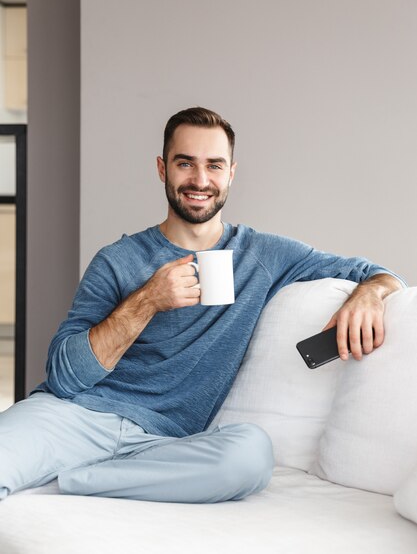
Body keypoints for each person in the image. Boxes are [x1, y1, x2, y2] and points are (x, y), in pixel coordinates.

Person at [0, 107, 405, 503]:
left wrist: (370, 293)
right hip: (75, 418)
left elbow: (376, 272)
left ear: (231, 173)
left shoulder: (262, 254)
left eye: (214, 165)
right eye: (185, 163)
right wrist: (146, 301)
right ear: (162, 169)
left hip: (166, 443)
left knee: (250, 456)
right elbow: (63, 377)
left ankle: (66, 482)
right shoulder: (119, 259)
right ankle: (72, 473)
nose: (199, 179)